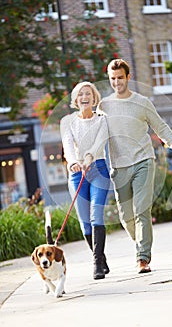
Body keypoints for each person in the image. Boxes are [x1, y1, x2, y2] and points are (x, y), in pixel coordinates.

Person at [98, 59, 172, 274]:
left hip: (143, 161)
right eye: (113, 79)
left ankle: (143, 258)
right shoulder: (104, 105)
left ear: (128, 77)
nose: (117, 82)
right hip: (119, 166)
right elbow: (96, 135)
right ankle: (140, 241)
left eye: (120, 77)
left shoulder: (142, 102)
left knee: (141, 210)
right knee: (126, 216)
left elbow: (160, 126)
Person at [60, 81, 110, 280]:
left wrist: (89, 157)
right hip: (77, 172)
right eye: (80, 94)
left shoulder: (102, 120)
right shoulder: (68, 121)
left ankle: (97, 264)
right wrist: (73, 162)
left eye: (88, 93)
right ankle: (101, 257)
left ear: (94, 97)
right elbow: (68, 145)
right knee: (85, 223)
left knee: (96, 215)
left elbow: (100, 143)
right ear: (75, 99)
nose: (84, 97)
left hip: (98, 168)